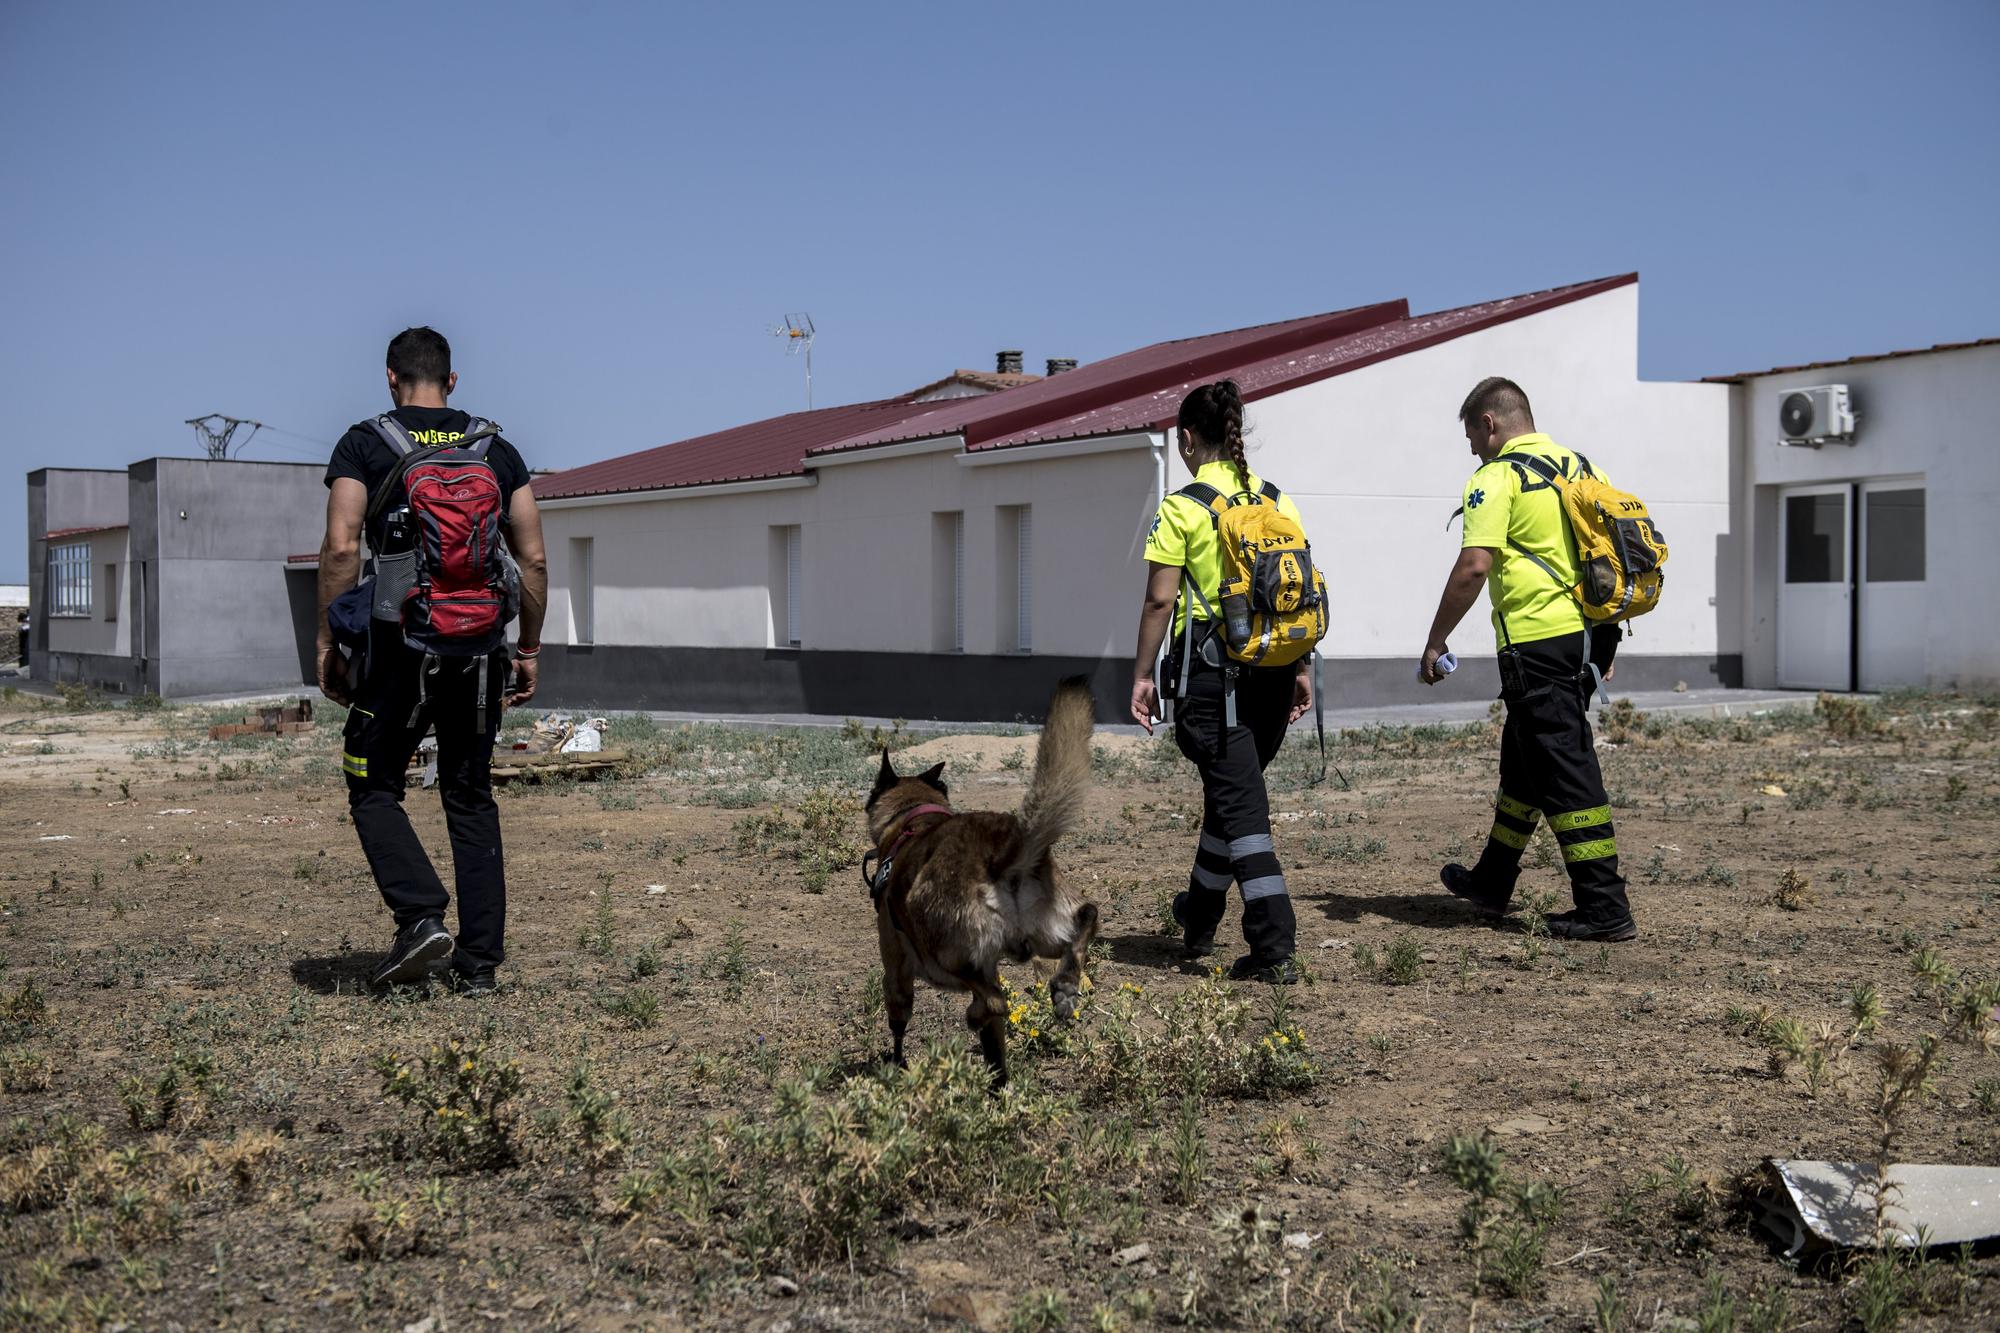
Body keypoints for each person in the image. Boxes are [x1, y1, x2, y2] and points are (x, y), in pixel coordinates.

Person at [315, 327, 548, 993]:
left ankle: (419, 915)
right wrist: (527, 648)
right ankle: (477, 971)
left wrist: (330, 644)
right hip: (479, 650)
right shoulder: (494, 450)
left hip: (400, 653)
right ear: (453, 381)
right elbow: (532, 556)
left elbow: (339, 547)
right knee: (470, 797)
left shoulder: (367, 443)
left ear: (391, 378)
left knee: (372, 780)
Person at [1419, 377, 1636, 942]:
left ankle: (1604, 906)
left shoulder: (1497, 478)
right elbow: (1609, 555)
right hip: (1586, 637)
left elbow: (1474, 566)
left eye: (1471, 436)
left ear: (1489, 423)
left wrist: (1436, 639)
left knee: (1566, 772)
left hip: (1537, 645)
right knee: (1524, 760)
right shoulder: (1586, 468)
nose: (1471, 449)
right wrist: (1601, 642)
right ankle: (1493, 880)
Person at [1129, 380, 1311, 983]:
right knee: (1229, 802)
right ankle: (1199, 915)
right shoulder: (1278, 501)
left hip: (1217, 687)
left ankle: (1273, 946)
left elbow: (1160, 602)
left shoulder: (1182, 508)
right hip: (1276, 675)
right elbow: (1294, 597)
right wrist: (1303, 668)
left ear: (1186, 440)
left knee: (1243, 814)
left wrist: (1141, 676)